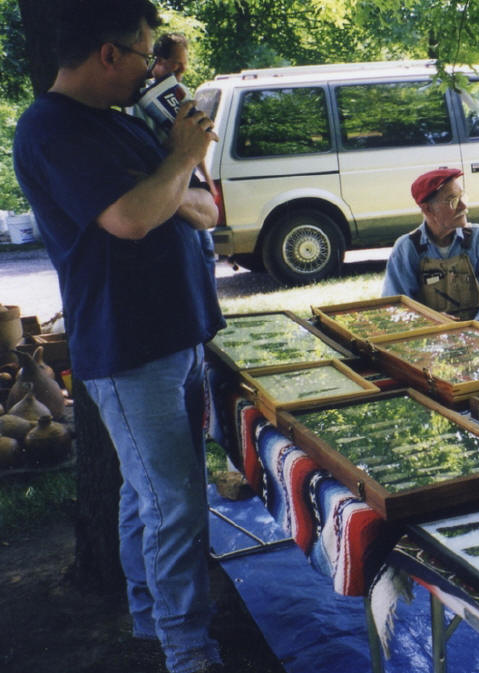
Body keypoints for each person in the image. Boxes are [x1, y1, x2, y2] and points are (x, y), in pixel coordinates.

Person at [13, 2, 225, 672]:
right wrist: (177, 163)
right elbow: (132, 218)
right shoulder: (50, 129)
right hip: (131, 349)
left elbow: (204, 209)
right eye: (143, 53)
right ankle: (190, 654)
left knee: (148, 496)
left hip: (178, 335)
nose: (150, 69)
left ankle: (149, 620)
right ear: (109, 53)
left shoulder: (124, 124)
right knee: (175, 505)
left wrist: (169, 178)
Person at [131, 32, 218, 279]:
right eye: (177, 63)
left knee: (204, 246)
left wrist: (207, 179)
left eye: (185, 63)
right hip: (161, 176)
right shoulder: (136, 98)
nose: (183, 68)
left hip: (185, 177)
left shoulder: (181, 92)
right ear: (159, 62)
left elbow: (197, 142)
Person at [382, 168, 479, 324]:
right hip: (428, 334)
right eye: (452, 200)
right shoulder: (406, 249)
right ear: (427, 209)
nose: (463, 206)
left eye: (462, 197)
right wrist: (429, 321)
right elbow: (395, 308)